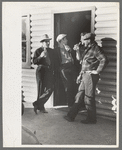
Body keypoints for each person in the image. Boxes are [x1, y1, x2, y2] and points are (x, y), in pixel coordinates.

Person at [64, 33, 109, 124]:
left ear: (89, 40)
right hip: (85, 75)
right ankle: (70, 116)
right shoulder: (87, 49)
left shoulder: (96, 49)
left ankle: (91, 119)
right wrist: (80, 75)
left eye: (84, 40)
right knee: (79, 95)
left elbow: (104, 59)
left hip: (90, 76)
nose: (82, 42)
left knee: (89, 98)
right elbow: (83, 63)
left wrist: (97, 71)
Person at [55, 34, 79, 108]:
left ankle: (75, 104)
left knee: (74, 85)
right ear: (61, 41)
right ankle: (70, 104)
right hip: (64, 68)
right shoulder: (56, 50)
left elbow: (74, 58)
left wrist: (70, 51)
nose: (67, 40)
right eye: (65, 39)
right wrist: (60, 68)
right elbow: (56, 61)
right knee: (68, 86)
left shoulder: (68, 48)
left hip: (71, 67)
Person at [32, 34, 55, 114]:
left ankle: (37, 103)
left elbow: (54, 62)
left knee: (50, 88)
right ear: (42, 42)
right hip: (41, 70)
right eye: (46, 42)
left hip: (48, 70)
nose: (48, 43)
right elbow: (34, 62)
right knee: (41, 89)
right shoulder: (38, 51)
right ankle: (41, 108)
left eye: (48, 41)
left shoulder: (51, 51)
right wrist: (40, 57)